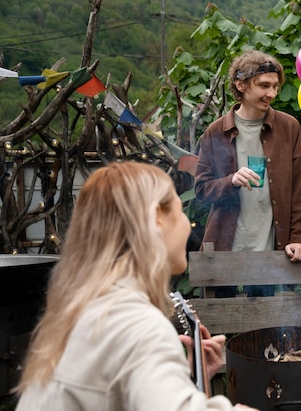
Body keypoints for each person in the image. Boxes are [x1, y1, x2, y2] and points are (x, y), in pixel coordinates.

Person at [14, 161, 256, 411]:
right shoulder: (137, 324)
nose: (186, 223)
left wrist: (182, 379)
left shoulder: (88, 310)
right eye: (179, 209)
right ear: (157, 220)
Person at [194, 50, 301, 293]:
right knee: (222, 327)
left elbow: (300, 191)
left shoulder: (288, 127)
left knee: (263, 328)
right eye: (264, 85)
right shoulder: (215, 132)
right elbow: (202, 190)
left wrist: (298, 239)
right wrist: (231, 181)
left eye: (276, 86)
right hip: (225, 249)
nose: (272, 94)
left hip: (270, 251)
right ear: (241, 84)